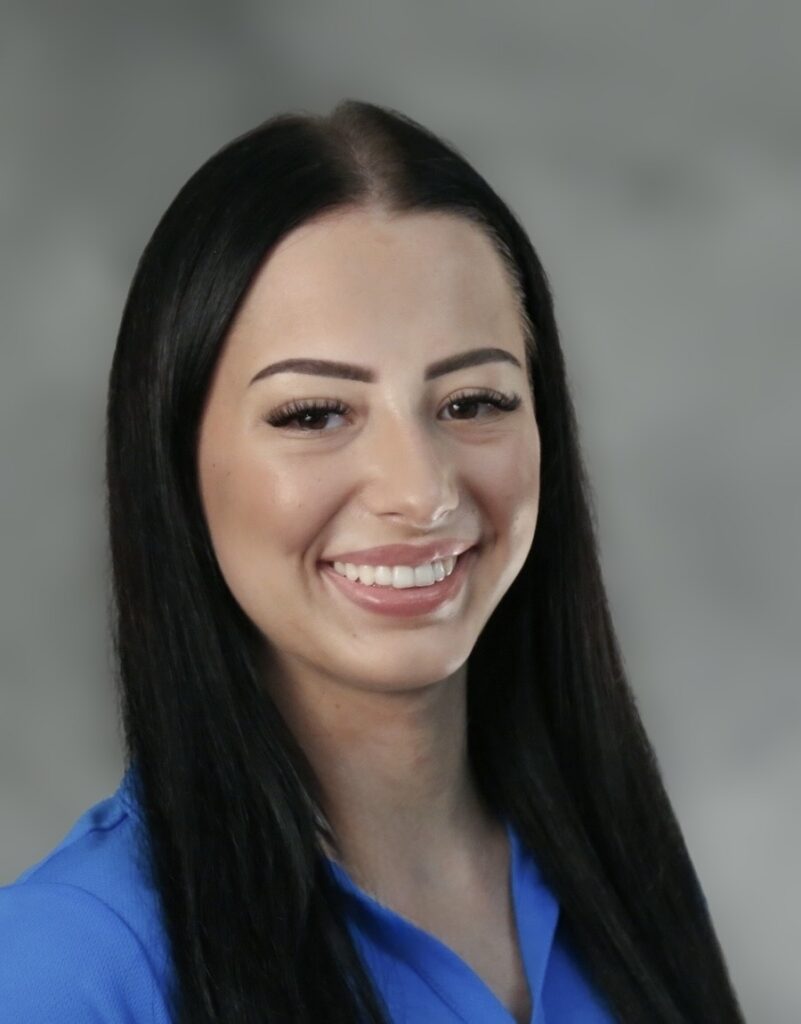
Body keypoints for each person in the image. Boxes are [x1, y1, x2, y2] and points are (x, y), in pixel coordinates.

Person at [0, 100, 746, 1023]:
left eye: (472, 402)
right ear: (174, 461)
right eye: (315, 414)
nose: (420, 491)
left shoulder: (613, 868)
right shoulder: (65, 969)